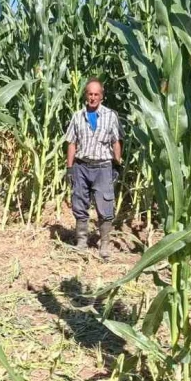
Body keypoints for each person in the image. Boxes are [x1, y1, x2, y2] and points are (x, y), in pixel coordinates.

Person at [64, 77, 123, 260]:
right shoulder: (77, 116)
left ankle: (104, 244)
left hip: (103, 167)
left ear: (102, 96)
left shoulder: (110, 116)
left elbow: (116, 141)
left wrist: (117, 162)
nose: (93, 97)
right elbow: (72, 143)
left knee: (105, 206)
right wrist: (70, 167)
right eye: (90, 94)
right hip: (81, 166)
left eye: (96, 94)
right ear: (85, 95)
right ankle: (81, 241)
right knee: (79, 203)